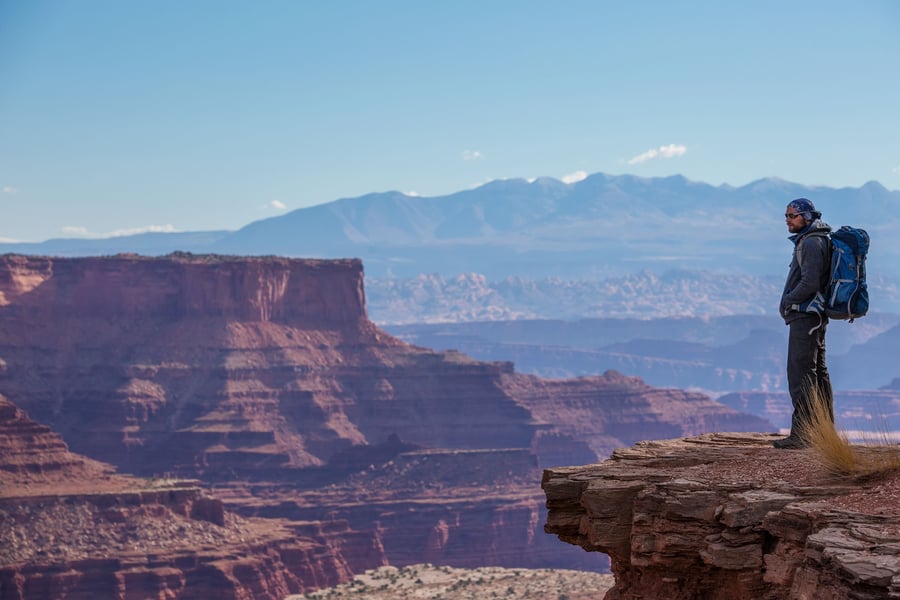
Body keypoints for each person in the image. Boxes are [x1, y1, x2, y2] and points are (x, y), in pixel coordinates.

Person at [774, 198, 835, 449]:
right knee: (817, 374)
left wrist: (788, 300)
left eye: (792, 216)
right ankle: (823, 432)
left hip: (806, 316)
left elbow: (810, 282)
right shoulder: (816, 239)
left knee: (801, 375)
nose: (787, 220)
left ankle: (803, 434)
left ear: (806, 217)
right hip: (814, 317)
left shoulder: (811, 242)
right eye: (786, 215)